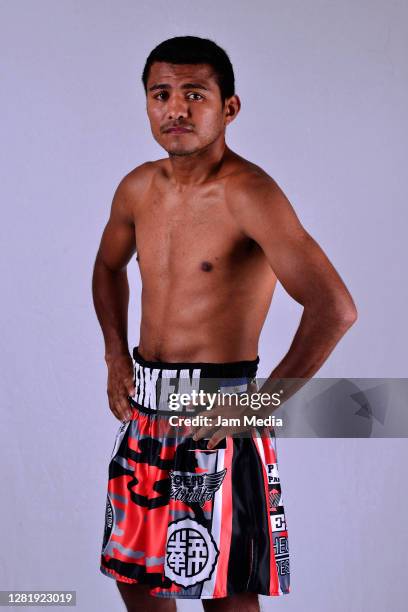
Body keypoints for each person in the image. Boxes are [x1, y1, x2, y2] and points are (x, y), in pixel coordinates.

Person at [92, 35, 357, 612]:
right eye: (161, 94)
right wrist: (115, 354)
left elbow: (334, 308)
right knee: (135, 580)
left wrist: (259, 405)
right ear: (146, 104)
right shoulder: (137, 188)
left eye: (194, 94)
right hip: (146, 409)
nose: (176, 109)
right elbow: (108, 267)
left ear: (228, 108)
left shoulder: (250, 194)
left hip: (220, 412)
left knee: (227, 595)